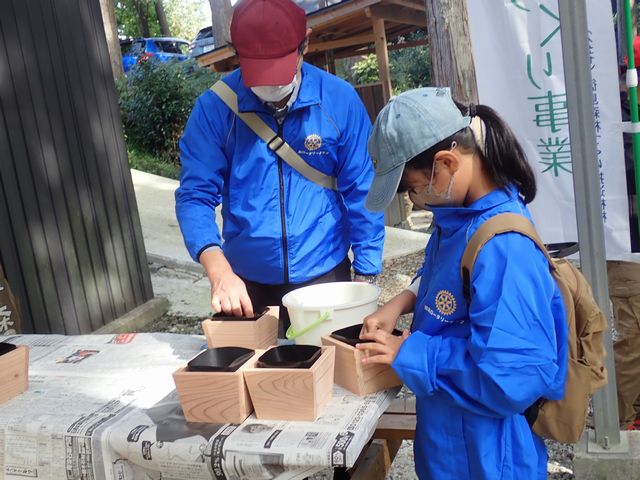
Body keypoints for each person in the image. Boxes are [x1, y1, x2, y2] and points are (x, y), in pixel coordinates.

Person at [357, 87, 568, 479]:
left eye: (411, 188)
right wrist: (403, 300)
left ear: (446, 163)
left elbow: (510, 378)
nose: (414, 200)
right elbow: (447, 271)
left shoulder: (505, 250)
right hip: (452, 438)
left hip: (489, 455)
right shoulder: (459, 214)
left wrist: (411, 352)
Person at [175, 0, 385, 332]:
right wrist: (219, 270)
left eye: (279, 68)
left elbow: (363, 189)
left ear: (305, 44)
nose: (272, 86)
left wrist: (367, 272)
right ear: (237, 53)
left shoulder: (338, 100)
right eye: (260, 71)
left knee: (331, 363)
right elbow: (195, 196)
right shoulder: (215, 109)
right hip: (246, 283)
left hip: (325, 274)